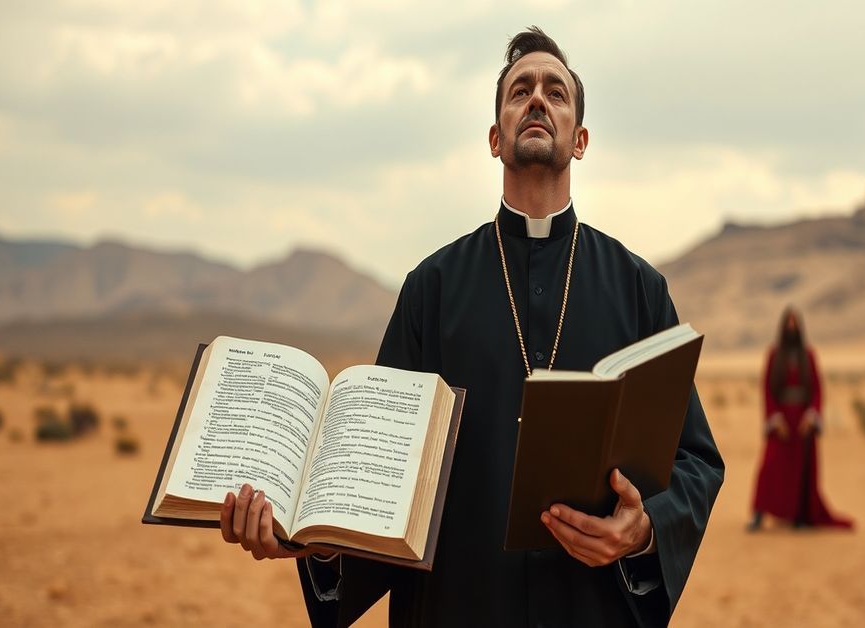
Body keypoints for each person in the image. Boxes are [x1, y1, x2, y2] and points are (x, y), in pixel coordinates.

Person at [218, 27, 724, 627]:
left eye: (556, 92)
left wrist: (642, 532)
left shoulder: (639, 288)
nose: (537, 100)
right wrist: (320, 544)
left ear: (581, 140)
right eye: (520, 91)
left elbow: (696, 460)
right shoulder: (431, 288)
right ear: (494, 138)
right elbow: (375, 475)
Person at [748, 306, 851, 531]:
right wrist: (775, 419)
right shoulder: (774, 355)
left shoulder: (809, 355)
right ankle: (758, 514)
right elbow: (767, 389)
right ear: (784, 327)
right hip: (781, 421)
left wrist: (811, 417)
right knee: (770, 466)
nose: (792, 327)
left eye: (795, 323)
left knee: (800, 470)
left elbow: (817, 390)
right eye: (788, 323)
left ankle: (798, 517)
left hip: (803, 422)